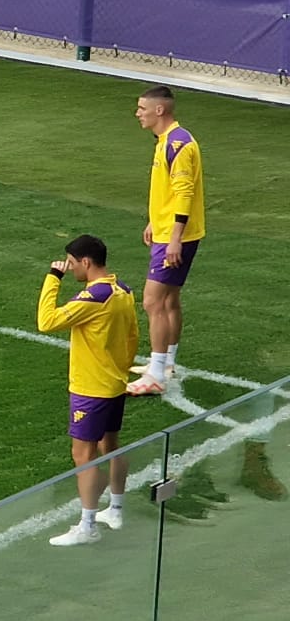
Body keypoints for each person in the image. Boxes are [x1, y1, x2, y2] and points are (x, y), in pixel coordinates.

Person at [37, 234, 136, 546]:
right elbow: (132, 336)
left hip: (91, 389)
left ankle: (87, 526)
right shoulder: (124, 291)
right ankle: (115, 509)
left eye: (71, 262)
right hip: (114, 383)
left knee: (83, 455)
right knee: (111, 446)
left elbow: (46, 321)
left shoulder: (93, 297)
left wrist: (53, 278)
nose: (70, 268)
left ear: (86, 262)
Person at [127, 86, 202, 397]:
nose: (138, 113)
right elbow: (170, 192)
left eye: (142, 108)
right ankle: (166, 363)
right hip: (169, 232)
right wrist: (154, 221)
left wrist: (174, 238)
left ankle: (156, 375)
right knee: (168, 300)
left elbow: (184, 193)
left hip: (175, 237)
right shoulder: (167, 141)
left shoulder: (178, 144)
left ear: (159, 110)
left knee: (152, 302)